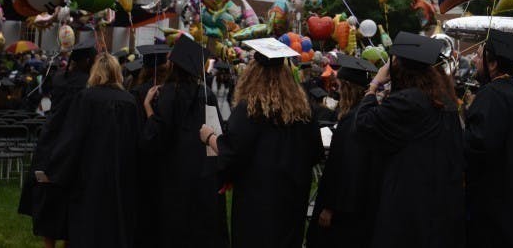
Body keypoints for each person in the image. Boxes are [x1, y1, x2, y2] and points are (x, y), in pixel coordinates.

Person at [203, 38, 323, 248]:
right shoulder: (303, 110)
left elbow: (231, 152)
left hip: (257, 202)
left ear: (253, 73)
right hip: (292, 200)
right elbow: (314, 154)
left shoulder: (250, 109)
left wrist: (209, 137)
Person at [354, 31, 465, 248]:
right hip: (441, 199)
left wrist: (374, 85)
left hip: (409, 201)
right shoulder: (444, 101)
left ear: (400, 68)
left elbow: (364, 124)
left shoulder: (408, 102)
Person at [45, 52, 141, 248]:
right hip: (120, 176)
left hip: (89, 175)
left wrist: (55, 167)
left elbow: (72, 138)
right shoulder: (129, 102)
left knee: (89, 227)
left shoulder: (86, 98)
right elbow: (136, 141)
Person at [140, 36, 227, 248]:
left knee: (175, 228)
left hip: (174, 174)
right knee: (201, 229)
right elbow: (217, 135)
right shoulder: (207, 95)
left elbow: (154, 135)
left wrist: (148, 108)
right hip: (203, 174)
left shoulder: (168, 94)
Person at [464, 32, 513, 247]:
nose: (474, 60)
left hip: (495, 201)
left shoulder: (491, 95)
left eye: (479, 56)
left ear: (493, 64)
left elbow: (477, 147)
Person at [18, 45, 96, 248]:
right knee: (69, 197)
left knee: (47, 194)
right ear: (88, 61)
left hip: (50, 138)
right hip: (71, 139)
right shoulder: (87, 84)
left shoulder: (59, 78)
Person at [307, 55, 382, 248]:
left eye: (340, 85)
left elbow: (348, 168)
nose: (338, 90)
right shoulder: (368, 114)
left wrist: (330, 208)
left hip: (343, 210)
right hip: (361, 205)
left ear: (348, 87)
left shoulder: (354, 121)